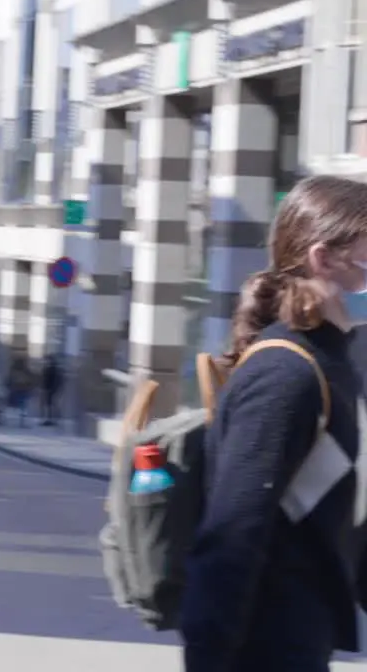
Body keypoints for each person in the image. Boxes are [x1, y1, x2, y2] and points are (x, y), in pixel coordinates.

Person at [180, 175, 367, 672]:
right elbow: (229, 539)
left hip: (303, 639)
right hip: (263, 649)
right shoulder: (285, 375)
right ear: (323, 258)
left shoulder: (334, 366)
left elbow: (333, 518)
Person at [6, 353, 35, 427]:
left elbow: (10, 378)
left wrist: (10, 386)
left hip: (18, 388)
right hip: (23, 388)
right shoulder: (25, 370)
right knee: (23, 405)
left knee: (20, 405)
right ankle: (22, 421)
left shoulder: (14, 369)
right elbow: (31, 378)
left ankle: (20, 420)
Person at [40, 353, 61, 425]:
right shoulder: (53, 369)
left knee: (49, 405)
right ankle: (50, 419)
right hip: (51, 389)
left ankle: (49, 419)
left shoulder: (51, 369)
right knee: (49, 405)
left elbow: (47, 379)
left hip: (50, 389)